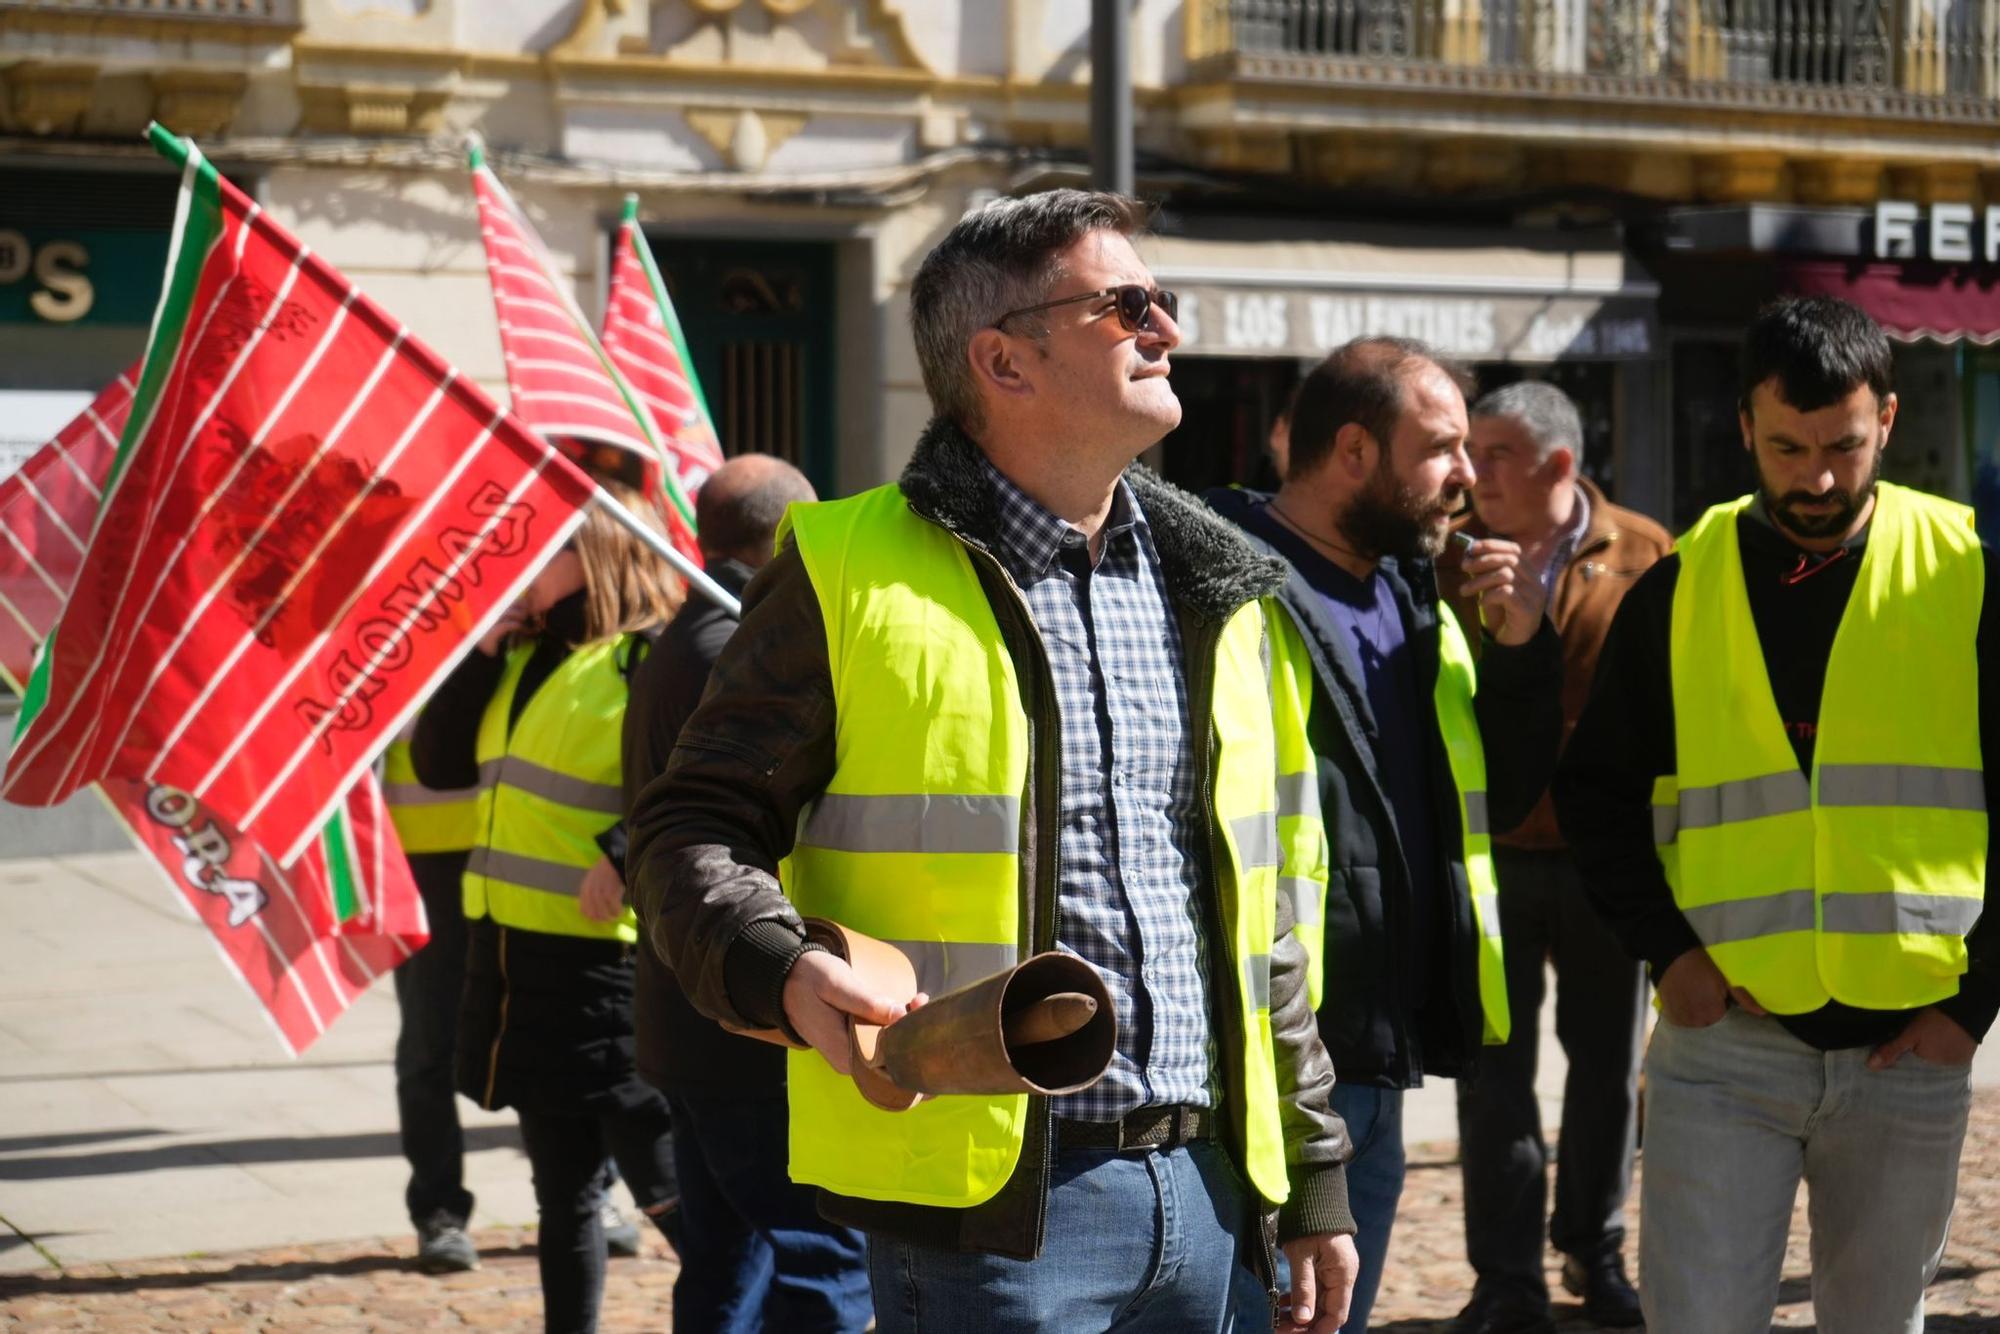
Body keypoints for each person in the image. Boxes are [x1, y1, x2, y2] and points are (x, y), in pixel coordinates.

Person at [627, 189, 1361, 1333]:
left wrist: (1310, 1172)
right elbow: (687, 829)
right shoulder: (842, 568)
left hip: (1213, 1187)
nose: (1164, 326)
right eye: (1125, 306)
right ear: (1003, 362)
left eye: (1159, 300)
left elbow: (1267, 923)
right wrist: (776, 963)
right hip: (990, 1207)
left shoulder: (1219, 592)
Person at [1554, 295, 2000, 1334]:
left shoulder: (1967, 575)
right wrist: (1669, 956)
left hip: (1909, 1048)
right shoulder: (1676, 588)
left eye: (1842, 445)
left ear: (1885, 420)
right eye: (1787, 446)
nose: (1817, 478)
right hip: (1722, 1050)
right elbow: (1594, 792)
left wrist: (1970, 1006)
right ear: (1743, 425)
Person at [1205, 337, 1563, 1333]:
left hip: (1377, 1051)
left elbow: (1494, 792)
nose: (1465, 474)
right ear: (1354, 450)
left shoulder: (1416, 598)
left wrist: (1524, 649)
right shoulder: (1225, 586)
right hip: (1273, 1063)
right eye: (1443, 448)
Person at [413, 476, 685, 1334]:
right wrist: (482, 649)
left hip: (605, 964)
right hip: (512, 960)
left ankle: (755, 1308)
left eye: (546, 547)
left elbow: (696, 785)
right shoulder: (524, 655)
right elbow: (440, 765)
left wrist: (621, 853)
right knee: (560, 1193)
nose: (523, 563)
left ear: (598, 553)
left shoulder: (650, 657)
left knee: (667, 1186)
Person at [622, 454, 874, 1333]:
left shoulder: (687, 634)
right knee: (819, 1265)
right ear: (791, 535)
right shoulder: (734, 644)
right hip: (742, 1018)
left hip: (693, 1018)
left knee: (727, 1270)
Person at [1437, 382, 1670, 1333]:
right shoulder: (1445, 555)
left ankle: (1593, 1250)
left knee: (1607, 1066)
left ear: (1557, 466)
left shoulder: (1648, 553)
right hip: (1490, 853)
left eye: (1493, 454)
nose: (1471, 471)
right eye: (1469, 451)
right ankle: (1506, 1279)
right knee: (1493, 1072)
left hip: (1602, 858)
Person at [381, 727, 482, 1273]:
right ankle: (439, 1211)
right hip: (416, 862)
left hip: (519, 845)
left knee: (558, 1036)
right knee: (427, 1047)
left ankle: (591, 1193)